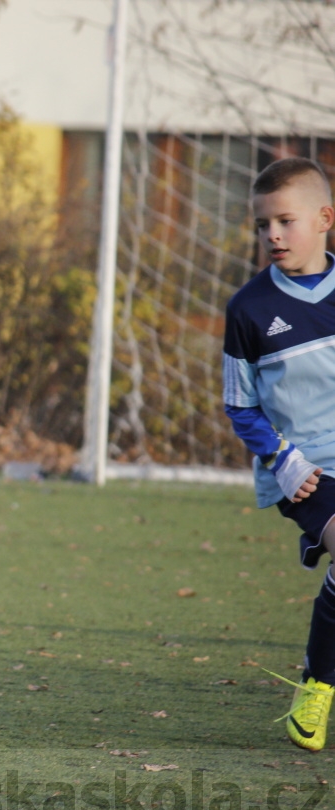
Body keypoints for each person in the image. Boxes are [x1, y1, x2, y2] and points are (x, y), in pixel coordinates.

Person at [224, 156, 335, 751]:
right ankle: (318, 688)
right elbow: (240, 406)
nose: (272, 235)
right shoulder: (248, 310)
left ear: (325, 219)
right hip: (306, 470)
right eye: (263, 224)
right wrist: (281, 458)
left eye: (285, 221)